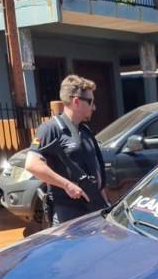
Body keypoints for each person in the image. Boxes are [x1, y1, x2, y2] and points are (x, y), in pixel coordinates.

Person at [26, 74, 108, 226]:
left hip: (93, 208)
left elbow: (97, 170)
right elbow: (32, 164)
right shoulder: (50, 129)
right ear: (76, 101)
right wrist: (67, 185)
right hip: (68, 213)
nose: (94, 107)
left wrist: (104, 202)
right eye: (90, 102)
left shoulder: (85, 130)